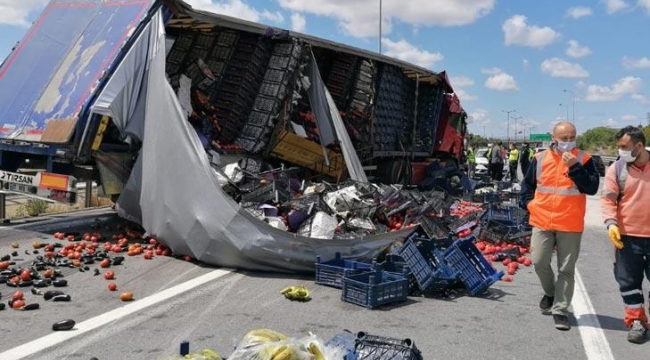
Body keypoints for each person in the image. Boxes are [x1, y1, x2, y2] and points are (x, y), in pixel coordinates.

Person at [520, 121, 600, 331]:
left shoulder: (584, 159)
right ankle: (550, 292)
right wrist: (529, 204)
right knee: (539, 261)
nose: (568, 141)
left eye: (572, 136)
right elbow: (527, 186)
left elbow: (591, 188)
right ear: (553, 138)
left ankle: (560, 310)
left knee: (566, 268)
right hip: (542, 219)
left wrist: (575, 166)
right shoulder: (539, 158)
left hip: (570, 222)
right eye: (563, 137)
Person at [600, 125, 650, 344]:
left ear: (639, 146)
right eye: (618, 147)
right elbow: (608, 199)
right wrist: (611, 223)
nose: (620, 151)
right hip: (627, 237)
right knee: (629, 283)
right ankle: (636, 321)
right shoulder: (617, 169)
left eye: (624, 147)